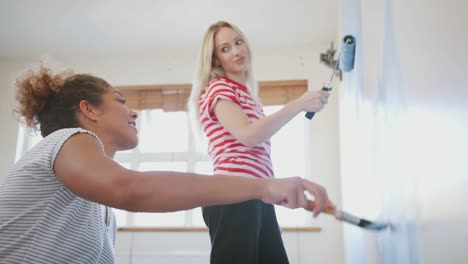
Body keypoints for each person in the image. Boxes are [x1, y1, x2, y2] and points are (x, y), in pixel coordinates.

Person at [0, 64, 333, 264]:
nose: (133, 112)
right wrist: (264, 186)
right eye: (120, 101)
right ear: (88, 110)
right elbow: (133, 188)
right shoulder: (64, 141)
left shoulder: (101, 217)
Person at [188, 21, 333, 264]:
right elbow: (248, 136)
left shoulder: (247, 97)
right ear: (215, 60)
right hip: (232, 193)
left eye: (238, 42)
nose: (236, 51)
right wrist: (299, 104)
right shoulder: (218, 88)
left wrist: (271, 190)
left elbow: (255, 157)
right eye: (225, 49)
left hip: (255, 194)